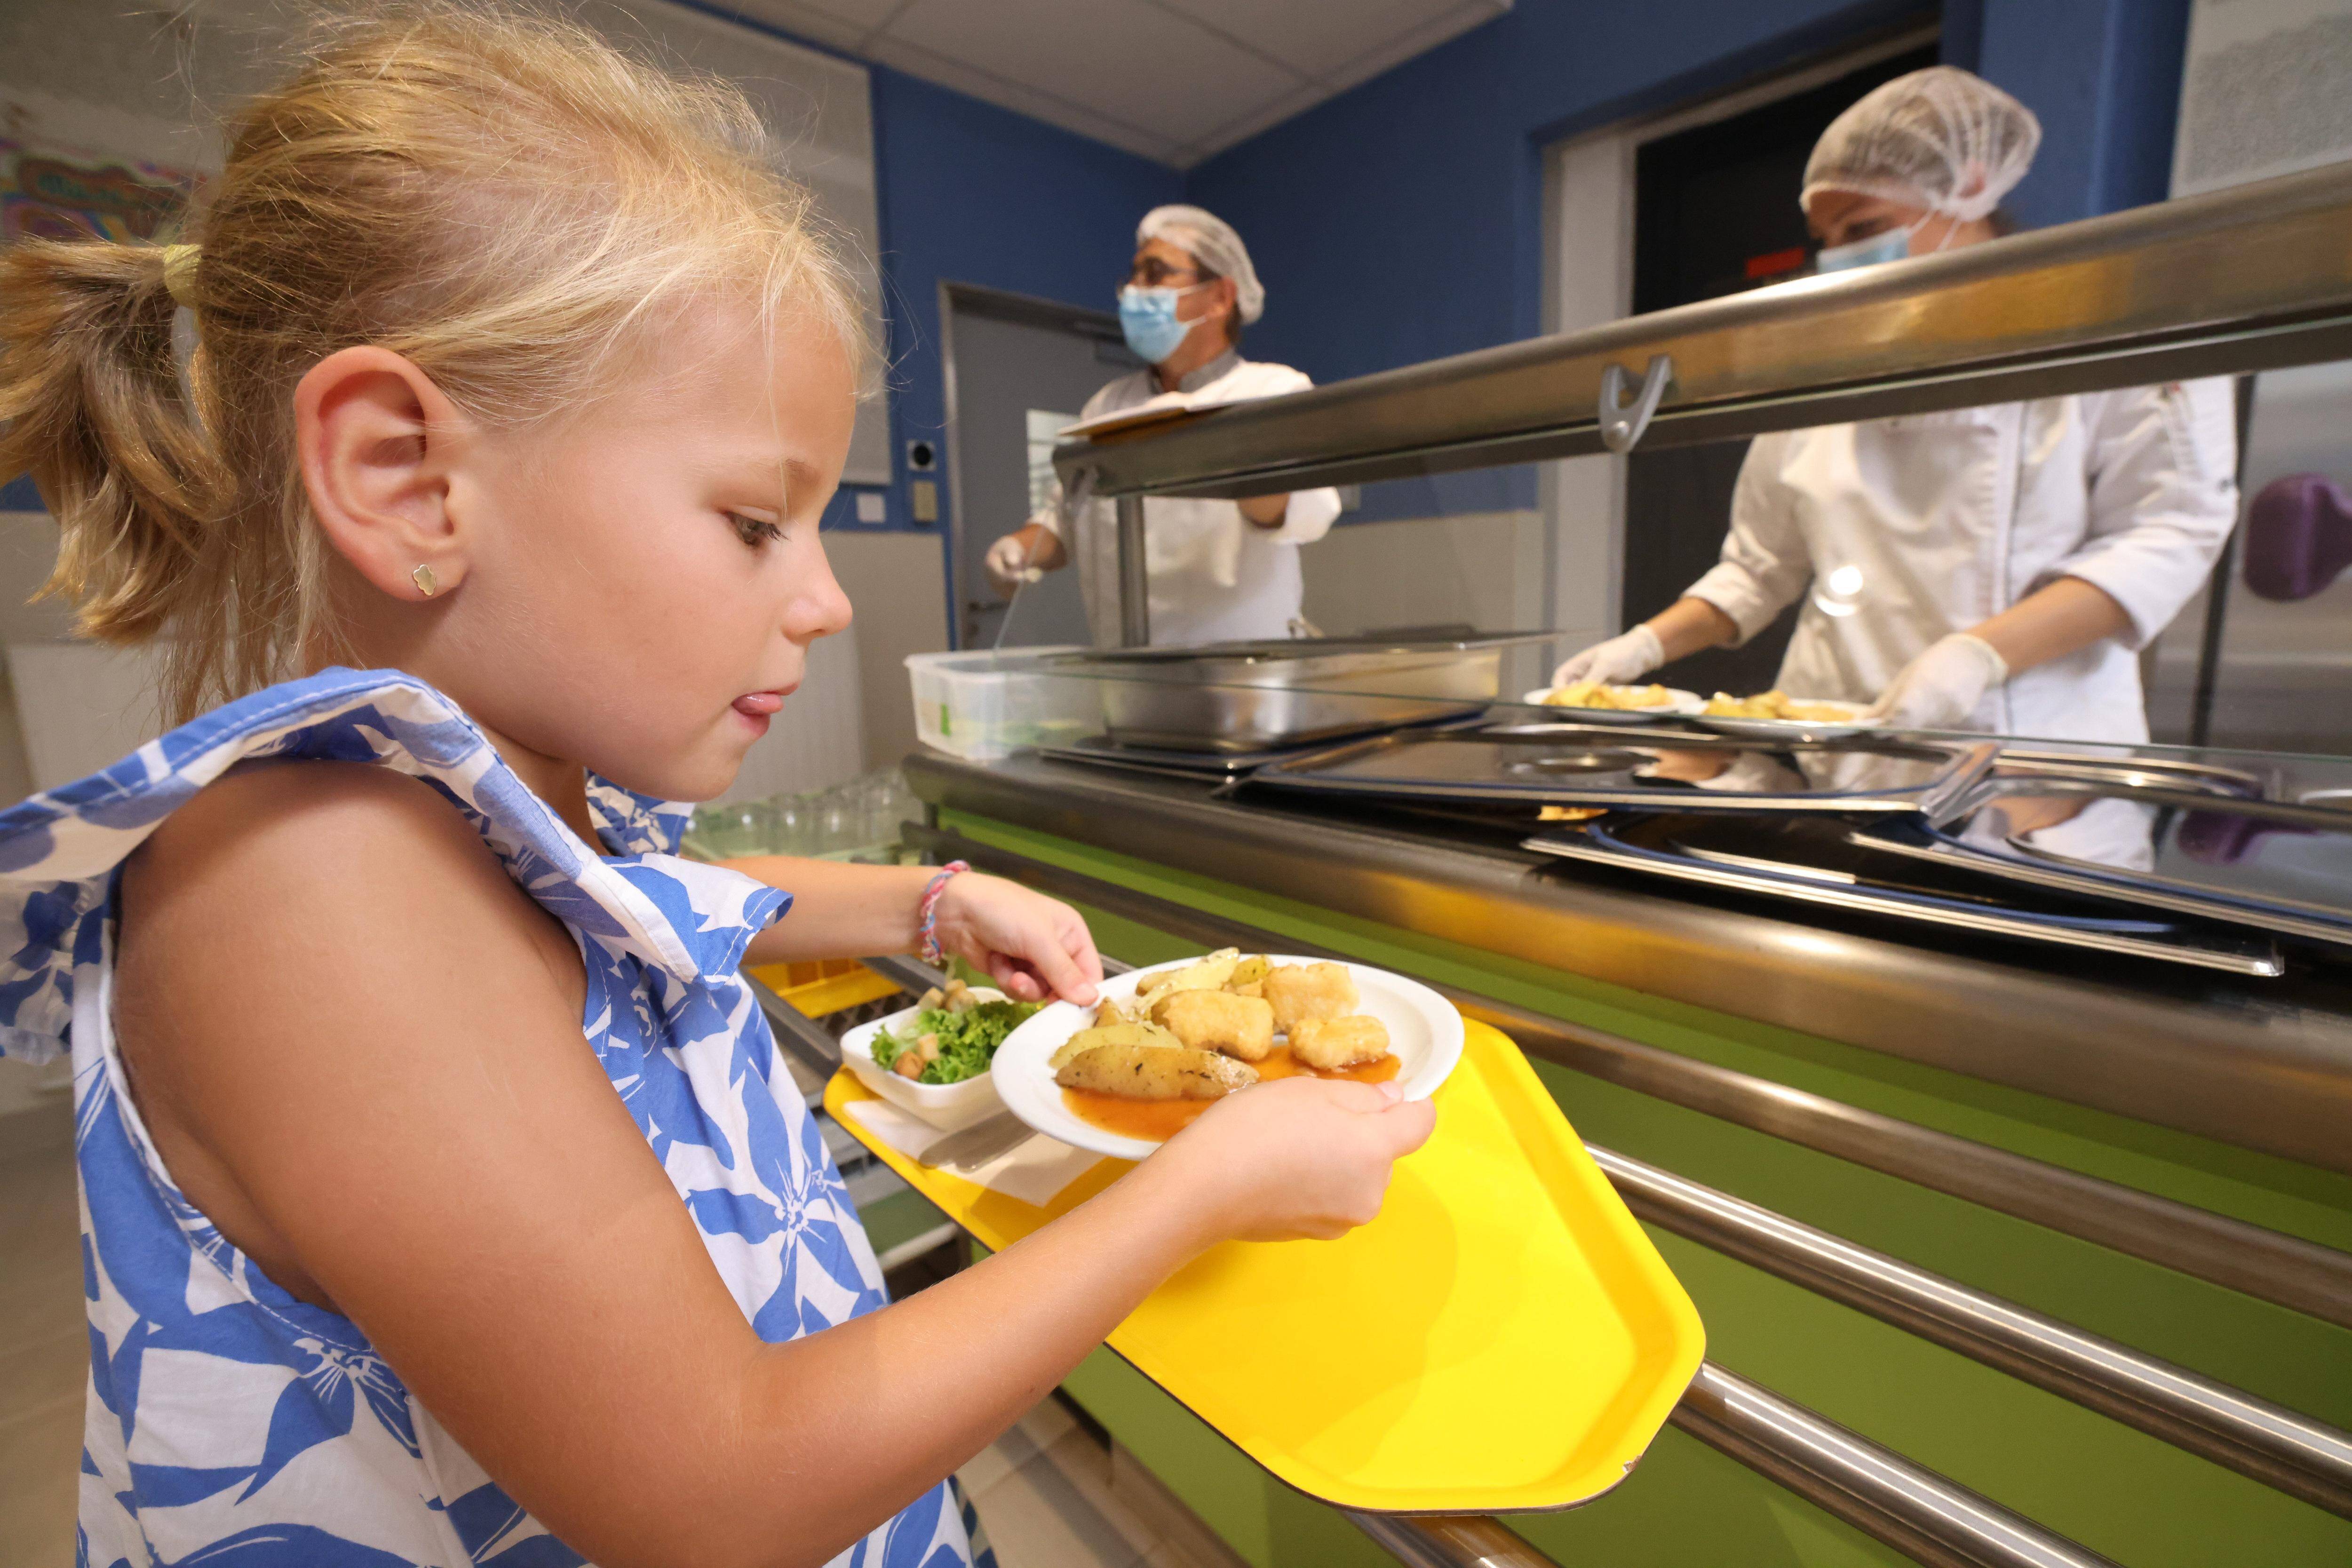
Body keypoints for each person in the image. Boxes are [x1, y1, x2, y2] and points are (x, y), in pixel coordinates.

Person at [0, 12, 1433, 1567]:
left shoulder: (490, 818)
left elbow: (636, 904)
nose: (822, 599)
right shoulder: (311, 891)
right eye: (759, 521)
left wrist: (930, 900)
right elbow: (721, 1491)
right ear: (408, 480)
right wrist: (1197, 1191)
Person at [1552, 66, 2239, 747]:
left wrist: (1978, 655)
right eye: (1830, 241)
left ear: (1969, 189)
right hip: (1827, 741)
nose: (1843, 258)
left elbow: (2171, 532)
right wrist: (1642, 648)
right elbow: (1760, 568)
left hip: (2031, 761)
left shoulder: (2106, 334)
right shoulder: (1825, 368)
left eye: (1864, 226)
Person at [984, 206, 1343, 645]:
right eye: (1132, 276)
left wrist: (1230, 443)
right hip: (1126, 673)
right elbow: (1065, 517)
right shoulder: (1107, 405)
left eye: (1155, 274)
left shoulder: (1273, 390)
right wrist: (1018, 549)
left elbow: (1302, 514)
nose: (1134, 291)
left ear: (1220, 297)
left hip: (1241, 680)